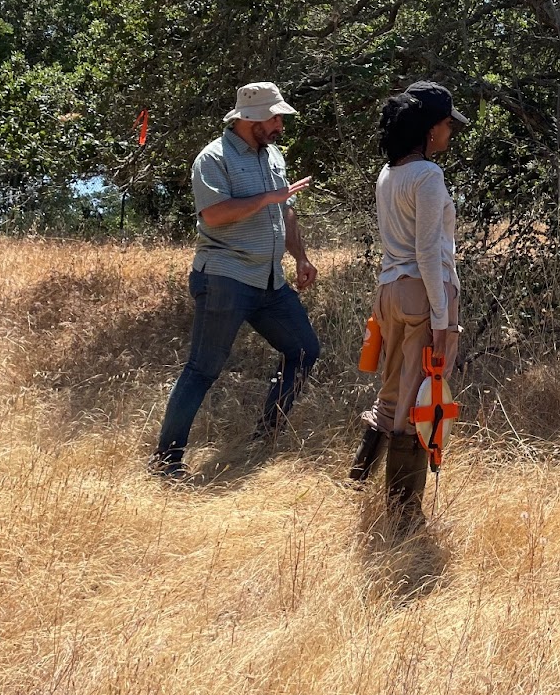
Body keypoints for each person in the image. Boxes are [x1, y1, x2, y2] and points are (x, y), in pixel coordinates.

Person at [149, 82, 320, 478]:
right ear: (250, 118)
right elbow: (213, 215)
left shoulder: (273, 154)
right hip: (226, 276)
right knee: (202, 369)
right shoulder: (212, 158)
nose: (280, 124)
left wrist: (301, 257)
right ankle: (166, 462)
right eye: (274, 117)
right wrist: (265, 199)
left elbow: (286, 211)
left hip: (270, 281)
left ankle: (265, 436)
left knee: (304, 350)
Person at [346, 81, 469, 529]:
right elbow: (427, 252)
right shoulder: (428, 176)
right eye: (447, 126)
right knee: (422, 399)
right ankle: (403, 516)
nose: (449, 134)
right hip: (422, 291)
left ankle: (359, 478)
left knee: (394, 389)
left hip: (389, 292)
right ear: (431, 127)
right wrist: (442, 319)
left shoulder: (389, 173)